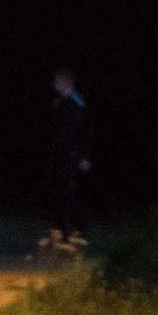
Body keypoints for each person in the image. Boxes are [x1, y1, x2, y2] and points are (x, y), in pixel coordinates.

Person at [44, 68, 91, 252]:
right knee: (58, 192)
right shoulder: (58, 103)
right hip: (59, 154)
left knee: (68, 193)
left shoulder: (77, 101)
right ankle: (62, 231)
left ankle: (77, 229)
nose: (55, 85)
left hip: (73, 155)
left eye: (58, 81)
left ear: (67, 82)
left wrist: (84, 156)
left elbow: (84, 131)